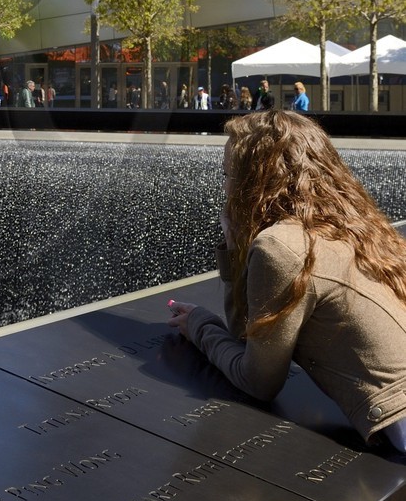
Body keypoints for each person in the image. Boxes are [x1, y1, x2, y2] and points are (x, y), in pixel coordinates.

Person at [168, 111, 406, 450]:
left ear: (253, 180)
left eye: (228, 175)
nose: (224, 187)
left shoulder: (281, 247)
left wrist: (200, 326)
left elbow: (256, 378)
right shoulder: (357, 226)